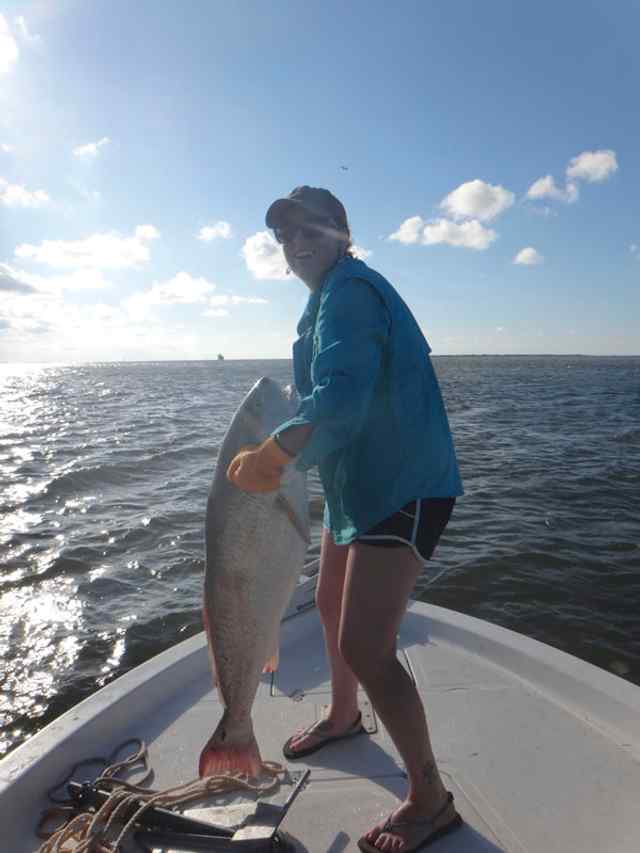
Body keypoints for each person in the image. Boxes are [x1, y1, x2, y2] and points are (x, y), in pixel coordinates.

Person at [227, 186, 464, 853]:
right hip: (357, 485)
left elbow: (343, 395)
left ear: (342, 232)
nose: (297, 245)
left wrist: (275, 452)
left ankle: (431, 798)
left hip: (405, 485)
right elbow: (326, 400)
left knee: (365, 641)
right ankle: (343, 715)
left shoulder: (351, 292)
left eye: (310, 231)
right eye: (286, 237)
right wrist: (286, 446)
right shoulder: (323, 301)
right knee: (328, 603)